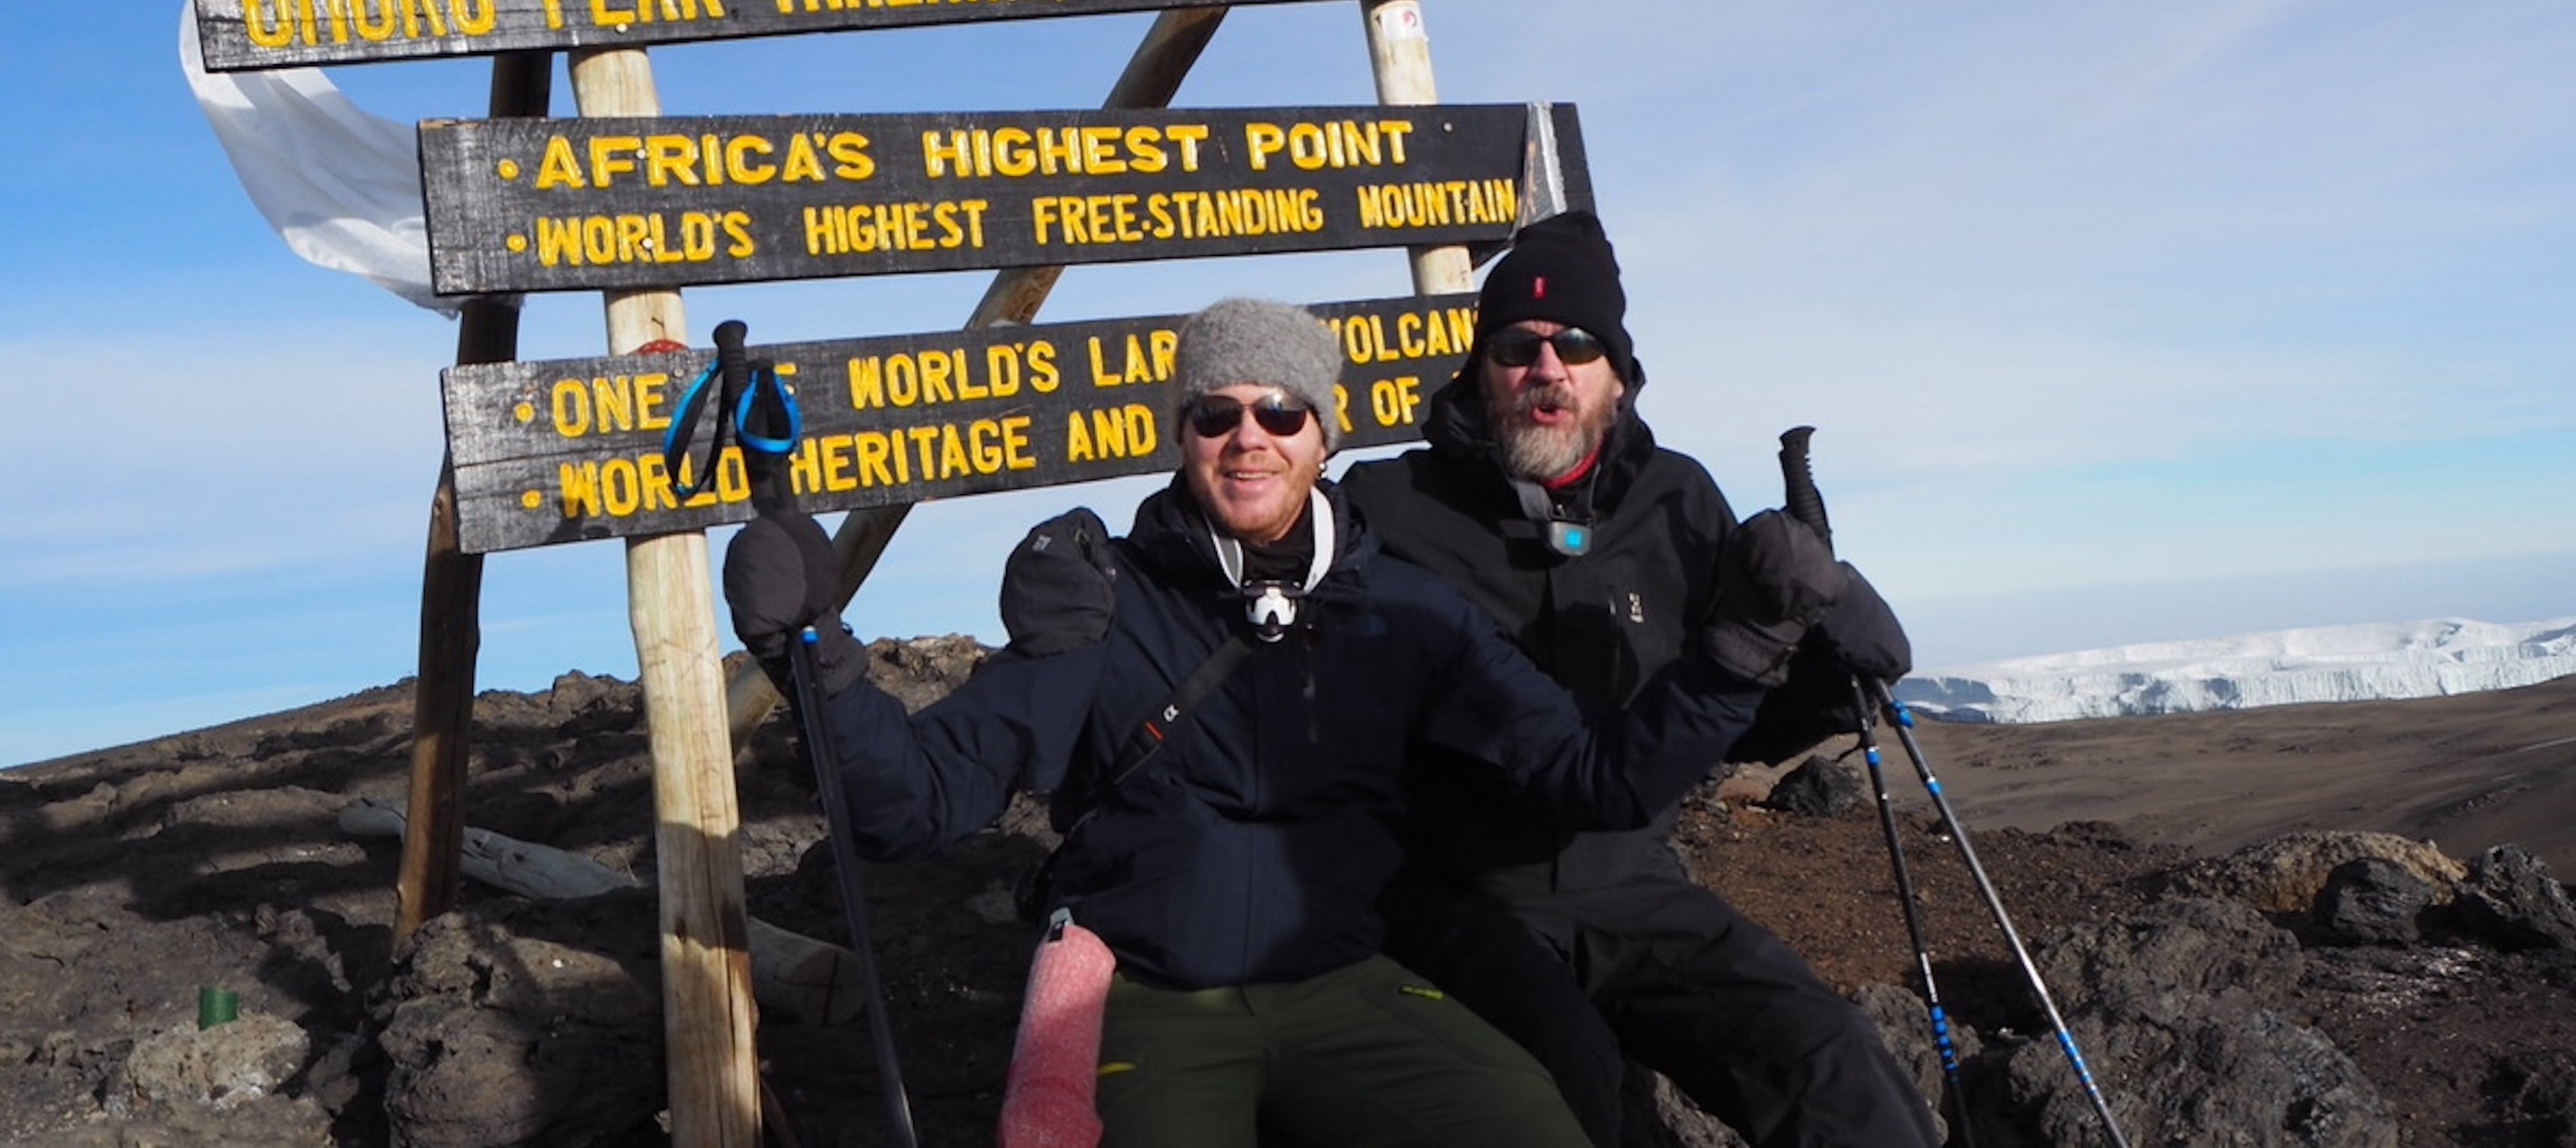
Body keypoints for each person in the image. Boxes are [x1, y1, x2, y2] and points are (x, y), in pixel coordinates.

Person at [722, 295, 1857, 1148]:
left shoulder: (1410, 614)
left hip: (1347, 983)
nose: (1248, 435)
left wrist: (1741, 648)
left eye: (1280, 410)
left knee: (1534, 1124)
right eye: (1216, 412)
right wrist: (813, 652)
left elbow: (1594, 779)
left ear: (1324, 436)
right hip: (1155, 998)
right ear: (1182, 433)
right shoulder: (1104, 601)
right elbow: (917, 803)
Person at [1344, 212, 1940, 1148]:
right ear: (1480, 371)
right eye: (1516, 346)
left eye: (1577, 345)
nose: (1547, 368)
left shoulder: (1678, 499)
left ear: (1618, 375)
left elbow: (1739, 720)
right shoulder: (1385, 506)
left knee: (1825, 1055)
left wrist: (1826, 668)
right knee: (1571, 1078)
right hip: (1448, 889)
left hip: (1634, 886)